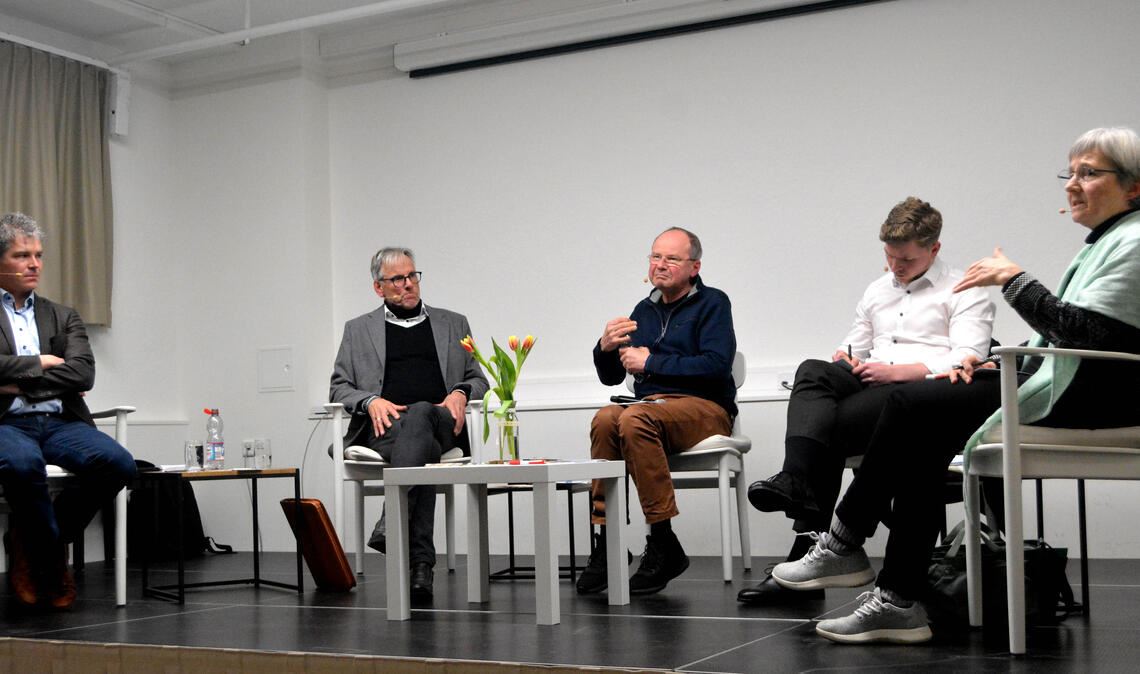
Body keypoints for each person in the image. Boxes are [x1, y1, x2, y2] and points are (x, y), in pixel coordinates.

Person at [771, 127, 1140, 644]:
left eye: (1089, 173)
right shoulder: (1112, 238)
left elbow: (1092, 338)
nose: (1072, 185)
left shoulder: (1135, 240)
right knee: (913, 426)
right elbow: (1076, 336)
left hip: (1094, 397)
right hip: (1062, 380)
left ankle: (844, 542)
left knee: (908, 404)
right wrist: (998, 364)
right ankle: (895, 601)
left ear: (1134, 186)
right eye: (1070, 173)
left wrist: (1013, 281)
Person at [738, 197, 994, 606]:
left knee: (827, 429)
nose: (896, 267)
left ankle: (807, 550)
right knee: (814, 368)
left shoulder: (964, 290)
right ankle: (796, 482)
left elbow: (968, 359)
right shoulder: (877, 289)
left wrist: (900, 371)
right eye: (890, 257)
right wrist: (846, 357)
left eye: (906, 259)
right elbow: (851, 343)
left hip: (918, 398)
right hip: (869, 389)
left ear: (934, 249)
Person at [575, 227, 737, 596]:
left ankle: (662, 542)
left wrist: (652, 362)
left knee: (635, 417)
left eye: (671, 258)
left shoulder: (714, 303)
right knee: (604, 418)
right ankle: (607, 540)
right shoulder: (642, 311)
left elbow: (715, 365)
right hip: (651, 408)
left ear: (694, 267)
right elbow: (612, 376)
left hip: (705, 408)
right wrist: (604, 348)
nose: (659, 265)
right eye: (655, 257)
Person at [329, 247, 488, 599]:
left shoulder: (453, 322)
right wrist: (371, 401)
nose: (408, 285)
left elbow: (480, 379)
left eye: (412, 276)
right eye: (397, 279)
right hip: (385, 430)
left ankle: (392, 519)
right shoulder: (358, 330)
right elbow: (339, 387)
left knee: (421, 413)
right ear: (378, 287)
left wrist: (461, 392)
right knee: (422, 448)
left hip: (445, 424)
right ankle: (420, 565)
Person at [0, 212, 136, 610]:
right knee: (22, 466)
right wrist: (42, 362)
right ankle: (50, 564)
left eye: (39, 255)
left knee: (119, 464)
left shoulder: (63, 314)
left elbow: (83, 373)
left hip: (61, 421)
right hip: (7, 421)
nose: (35, 264)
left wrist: (16, 378)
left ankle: (39, 546)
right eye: (23, 255)